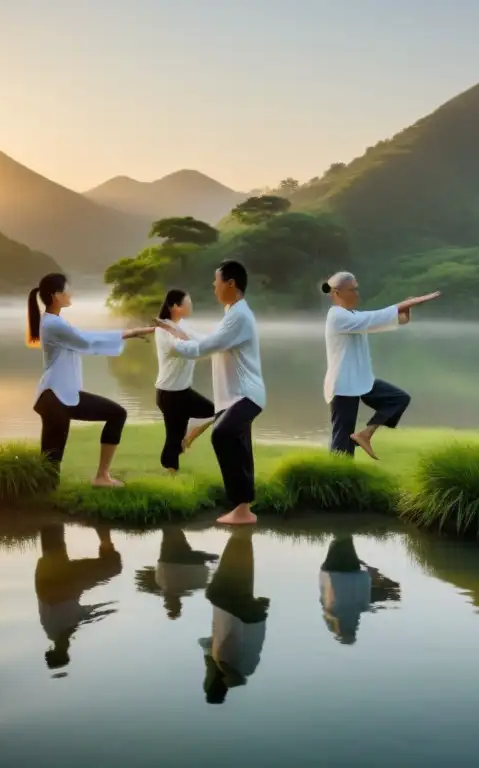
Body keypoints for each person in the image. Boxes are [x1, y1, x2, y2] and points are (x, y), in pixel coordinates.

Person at [155, 261, 265, 525]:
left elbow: (205, 347)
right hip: (234, 396)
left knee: (222, 435)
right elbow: (204, 338)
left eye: (216, 281)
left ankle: (240, 507)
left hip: (245, 395)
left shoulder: (238, 316)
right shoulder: (232, 312)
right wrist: (175, 331)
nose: (213, 286)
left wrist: (175, 339)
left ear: (230, 283)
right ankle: (243, 509)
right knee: (239, 444)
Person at [28, 273, 155, 487]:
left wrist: (131, 333)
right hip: (55, 398)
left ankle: (101, 476)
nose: (71, 293)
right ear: (56, 295)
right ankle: (36, 504)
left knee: (116, 414)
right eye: (67, 289)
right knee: (51, 464)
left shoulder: (55, 322)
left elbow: (85, 338)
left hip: (64, 396)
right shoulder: (53, 325)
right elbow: (86, 341)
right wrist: (132, 332)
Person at [322, 271, 440, 460]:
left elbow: (396, 320)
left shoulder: (352, 315)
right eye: (352, 290)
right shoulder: (338, 317)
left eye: (357, 289)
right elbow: (379, 316)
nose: (357, 294)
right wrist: (410, 302)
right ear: (337, 293)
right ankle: (336, 481)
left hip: (361, 379)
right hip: (343, 384)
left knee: (398, 399)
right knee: (342, 437)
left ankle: (365, 434)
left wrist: (407, 309)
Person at [34, 524, 123, 671]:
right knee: (53, 548)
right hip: (44, 576)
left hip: (63, 584)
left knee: (113, 567)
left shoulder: (62, 630)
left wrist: (105, 612)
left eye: (65, 650)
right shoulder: (49, 628)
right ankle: (51, 517)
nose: (68, 647)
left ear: (61, 650)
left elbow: (77, 612)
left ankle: (103, 530)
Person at [198, 528, 269, 703]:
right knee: (216, 593)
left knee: (238, 585)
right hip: (236, 612)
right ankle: (239, 535)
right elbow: (208, 643)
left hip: (254, 615)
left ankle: (243, 536)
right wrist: (218, 669)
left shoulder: (246, 670)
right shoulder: (223, 665)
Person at [154, 289, 216, 472]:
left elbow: (201, 340)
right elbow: (184, 348)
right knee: (173, 438)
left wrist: (219, 343)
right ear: (174, 306)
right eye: (187, 303)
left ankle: (188, 436)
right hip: (169, 393)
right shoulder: (162, 330)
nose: (191, 306)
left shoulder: (182, 326)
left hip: (183, 391)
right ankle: (171, 473)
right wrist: (205, 348)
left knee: (215, 410)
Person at [318, 534, 400, 645]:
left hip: (356, 601)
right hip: (360, 596)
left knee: (383, 586)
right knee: (386, 585)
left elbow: (327, 602)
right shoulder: (362, 575)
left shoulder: (326, 573)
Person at [134, 526, 218, 620]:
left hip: (172, 558)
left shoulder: (164, 584)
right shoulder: (162, 583)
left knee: (172, 535)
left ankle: (169, 527)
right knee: (213, 557)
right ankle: (170, 527)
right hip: (175, 559)